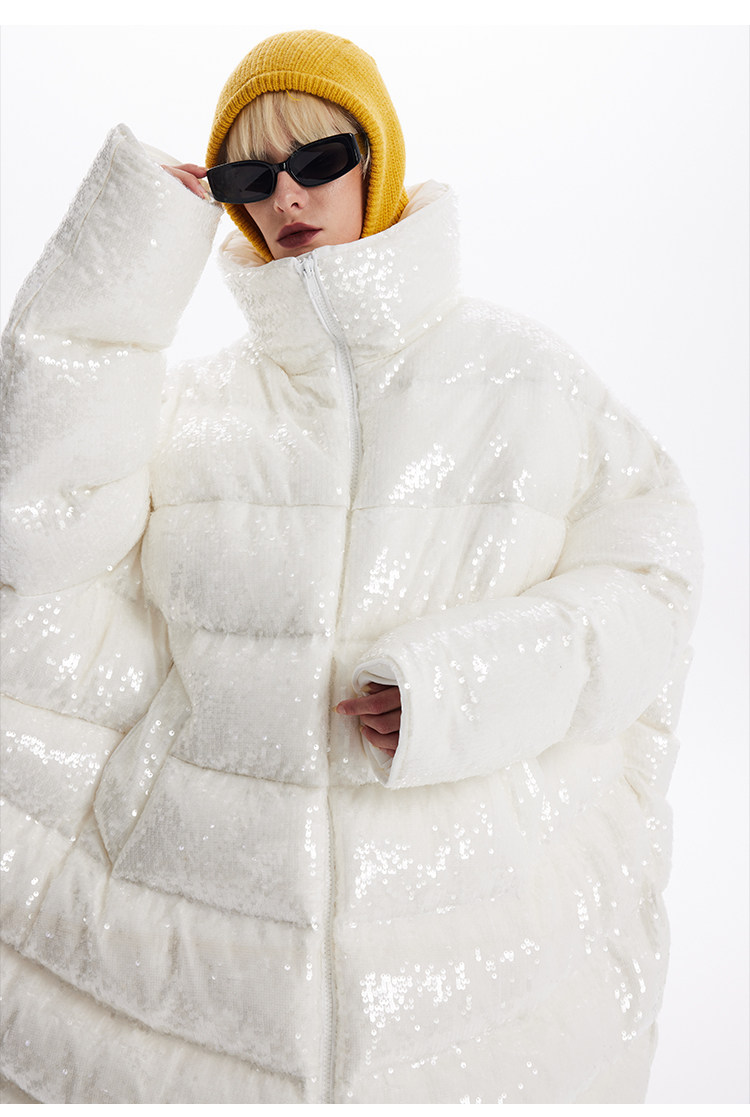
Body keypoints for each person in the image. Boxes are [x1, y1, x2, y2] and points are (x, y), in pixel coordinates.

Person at [0, 28, 701, 1105]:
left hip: (473, 946)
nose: (288, 197)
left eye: (320, 160)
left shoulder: (525, 382)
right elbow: (35, 542)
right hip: (207, 965)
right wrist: (132, 246)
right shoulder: (196, 409)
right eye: (250, 178)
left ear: (380, 158)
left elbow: (653, 574)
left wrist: (466, 687)